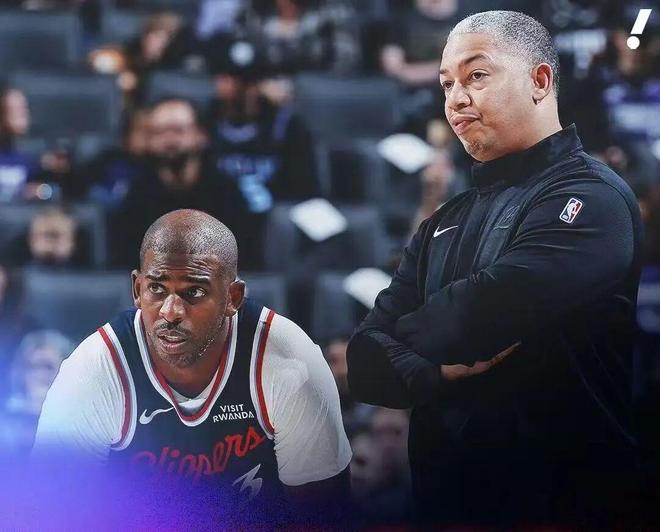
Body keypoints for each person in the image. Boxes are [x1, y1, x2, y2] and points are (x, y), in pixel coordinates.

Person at [347, 10, 643, 525]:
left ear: (540, 81)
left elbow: (473, 320)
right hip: (447, 510)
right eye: (447, 83)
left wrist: (405, 345)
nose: (456, 99)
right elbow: (365, 363)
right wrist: (435, 368)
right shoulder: (442, 221)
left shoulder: (593, 199)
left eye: (476, 75)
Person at [33, 209, 351, 524]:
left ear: (233, 297)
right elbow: (54, 513)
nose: (171, 312)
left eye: (194, 292)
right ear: (137, 289)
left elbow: (323, 514)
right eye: (157, 289)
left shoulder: (288, 361)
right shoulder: (94, 370)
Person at [111, 98, 251, 268]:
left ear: (201, 135)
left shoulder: (226, 194)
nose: (169, 140)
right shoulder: (136, 197)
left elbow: (244, 260)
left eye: (178, 130)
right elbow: (126, 263)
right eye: (159, 132)